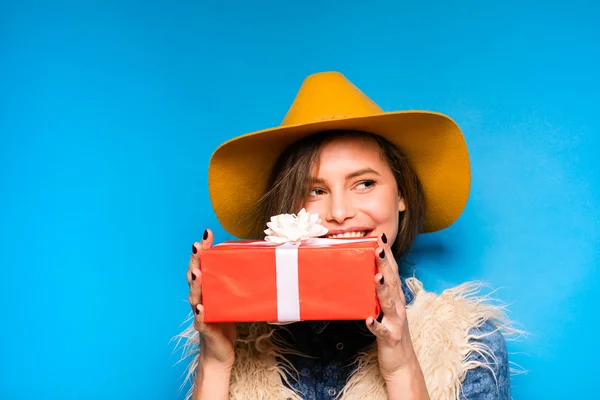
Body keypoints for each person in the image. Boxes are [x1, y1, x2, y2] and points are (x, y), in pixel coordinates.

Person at [176, 72, 518, 399]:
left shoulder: (469, 343)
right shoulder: (240, 343)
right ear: (287, 210)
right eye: (315, 191)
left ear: (402, 195)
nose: (339, 212)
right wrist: (216, 363)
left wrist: (400, 366)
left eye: (364, 183)